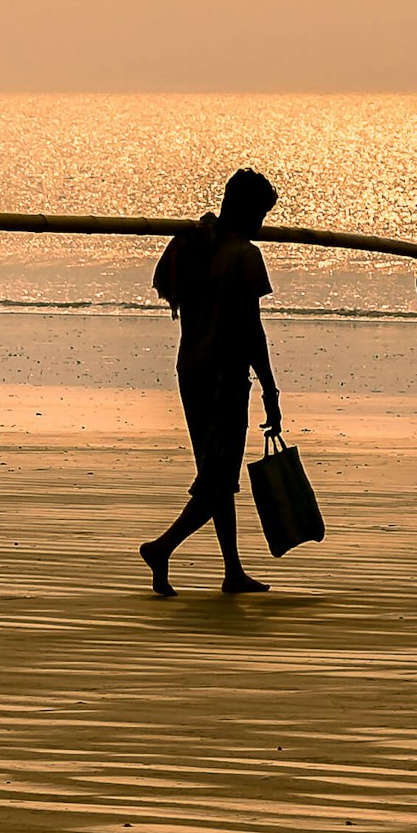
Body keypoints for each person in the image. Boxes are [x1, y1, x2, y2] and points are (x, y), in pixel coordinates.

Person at [138, 169, 287, 597]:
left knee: (216, 473)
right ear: (247, 211)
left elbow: (168, 288)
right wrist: (270, 389)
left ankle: (232, 569)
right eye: (260, 214)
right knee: (218, 480)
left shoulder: (191, 243)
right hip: (225, 375)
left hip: (191, 369)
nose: (261, 224)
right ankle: (162, 547)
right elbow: (252, 329)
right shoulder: (244, 254)